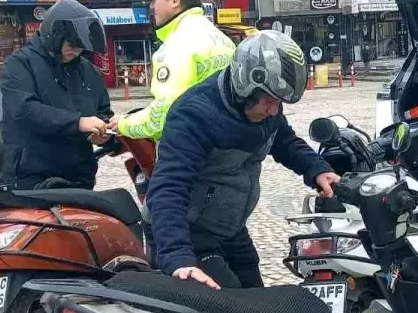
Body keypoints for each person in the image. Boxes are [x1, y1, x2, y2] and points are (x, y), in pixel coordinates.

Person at [145, 30, 339, 290]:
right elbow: (168, 188)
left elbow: (283, 139)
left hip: (230, 227)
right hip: (190, 233)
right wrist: (178, 258)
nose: (274, 111)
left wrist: (316, 169)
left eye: (280, 103)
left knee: (259, 302)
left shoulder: (266, 109)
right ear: (244, 86)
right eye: (270, 101)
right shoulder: (194, 115)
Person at [0, 0, 112, 190]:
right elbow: (25, 110)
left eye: (81, 46)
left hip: (78, 179)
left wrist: (103, 133)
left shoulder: (90, 72)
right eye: (71, 44)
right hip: (33, 179)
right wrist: (78, 122)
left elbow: (103, 112)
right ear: (54, 35)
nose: (76, 50)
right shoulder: (20, 64)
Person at [109, 0, 234, 141]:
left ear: (175, 0)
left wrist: (123, 124)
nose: (151, 5)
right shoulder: (221, 38)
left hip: (193, 152)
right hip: (228, 145)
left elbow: (162, 117)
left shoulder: (178, 44)